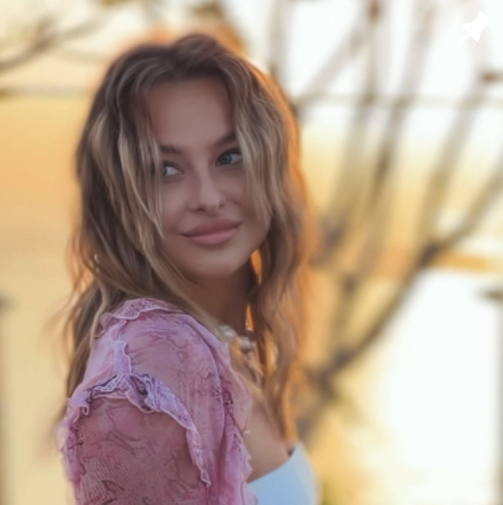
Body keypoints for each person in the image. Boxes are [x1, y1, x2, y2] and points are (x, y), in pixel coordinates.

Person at [50, 32, 321, 504]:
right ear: (117, 197)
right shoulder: (151, 375)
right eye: (166, 170)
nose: (209, 198)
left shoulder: (217, 348)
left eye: (229, 157)